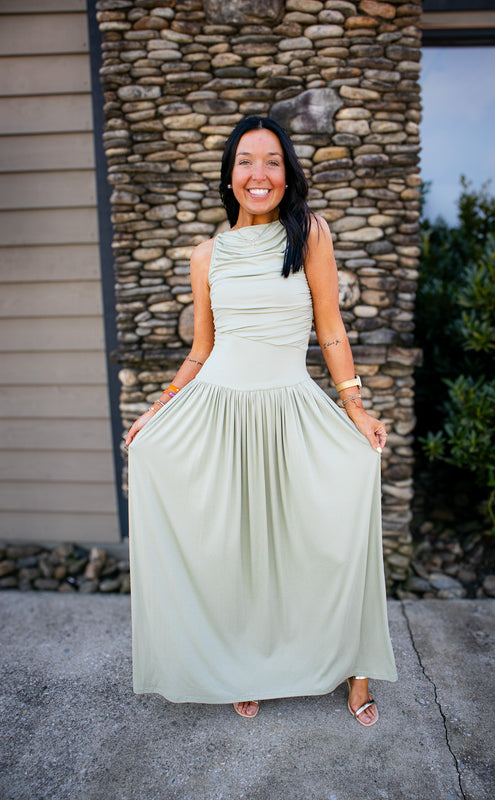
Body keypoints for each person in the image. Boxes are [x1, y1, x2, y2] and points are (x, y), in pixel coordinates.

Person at [125, 116, 397, 725]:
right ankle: (239, 665)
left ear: (287, 173)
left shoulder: (310, 235)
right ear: (230, 176)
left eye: (273, 161)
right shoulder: (207, 255)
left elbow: (330, 329)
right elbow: (201, 350)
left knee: (328, 533)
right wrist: (160, 406)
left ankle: (356, 669)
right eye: (247, 161)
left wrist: (355, 407)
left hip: (289, 409)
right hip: (220, 413)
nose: (259, 174)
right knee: (230, 552)